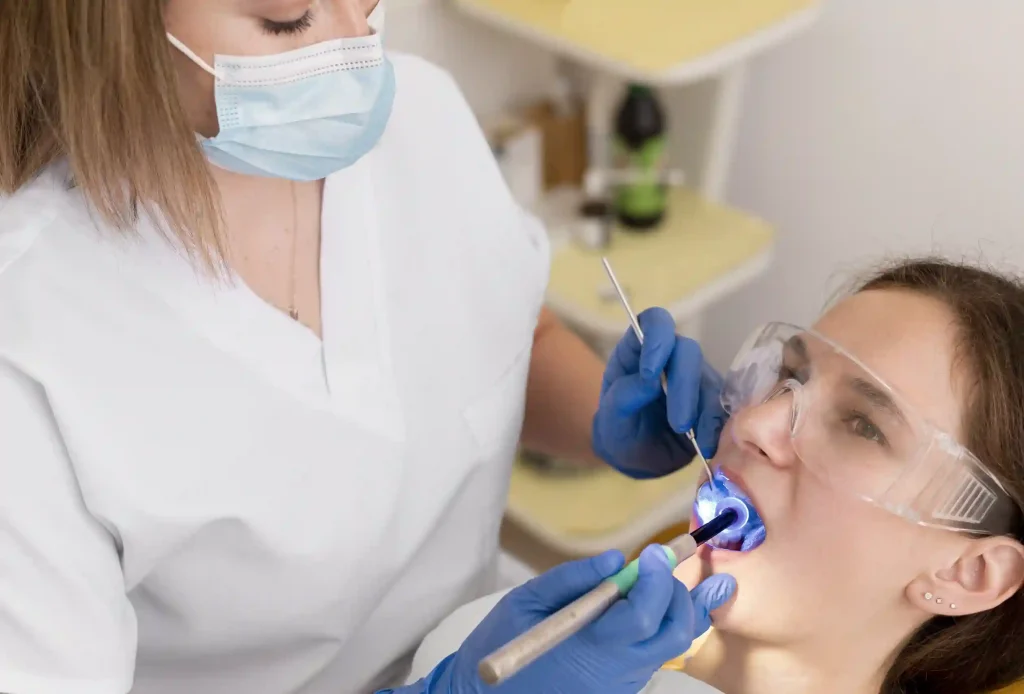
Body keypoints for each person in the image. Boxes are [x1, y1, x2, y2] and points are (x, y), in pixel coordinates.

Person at [0, 2, 726, 692]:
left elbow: (505, 337)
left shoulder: (424, 114)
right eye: (287, 17)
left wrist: (608, 420)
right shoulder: (31, 341)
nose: (358, 42)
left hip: (475, 634)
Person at [411, 258, 1024, 694]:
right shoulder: (494, 648)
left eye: (863, 425)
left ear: (968, 573)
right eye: (788, 378)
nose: (752, 421)